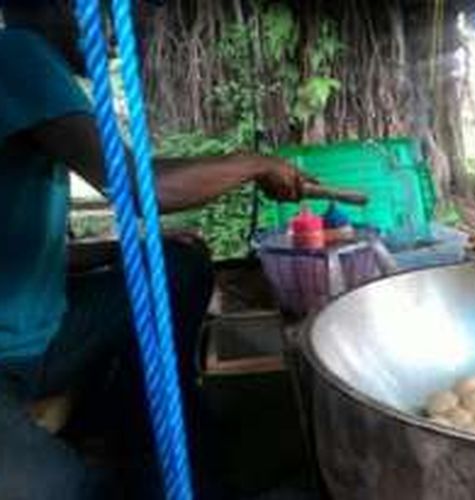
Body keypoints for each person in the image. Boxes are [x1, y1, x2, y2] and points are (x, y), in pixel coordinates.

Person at [0, 1, 313, 498]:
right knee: (60, 488)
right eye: (97, 11)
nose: (114, 32)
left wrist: (119, 251)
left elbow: (22, 249)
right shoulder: (16, 54)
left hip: (46, 331)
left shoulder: (31, 69)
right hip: (9, 356)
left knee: (175, 264)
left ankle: (154, 432)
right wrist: (255, 164)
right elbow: (146, 188)